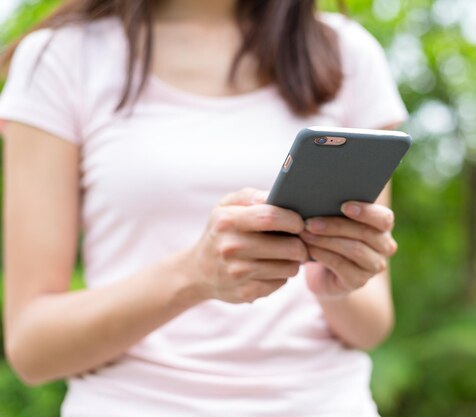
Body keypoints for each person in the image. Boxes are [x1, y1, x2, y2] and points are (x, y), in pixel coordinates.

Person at [0, 0, 408, 415]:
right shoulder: (63, 57)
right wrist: (193, 275)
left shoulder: (347, 53)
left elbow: (371, 326)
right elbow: (31, 348)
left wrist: (333, 283)